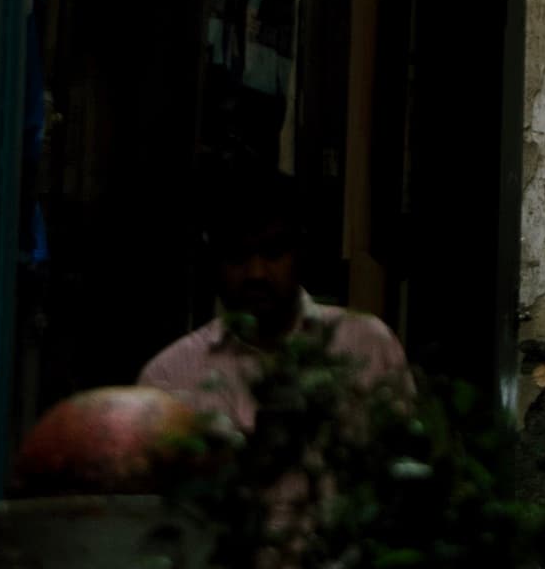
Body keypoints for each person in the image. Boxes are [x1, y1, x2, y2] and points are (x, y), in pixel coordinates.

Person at [138, 171, 410, 429]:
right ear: (214, 262)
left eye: (273, 252)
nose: (256, 273)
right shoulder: (170, 377)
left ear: (301, 253)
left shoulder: (366, 346)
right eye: (237, 254)